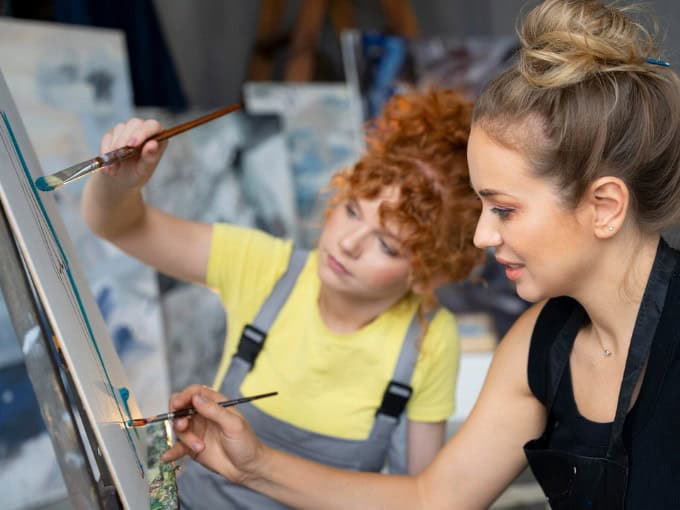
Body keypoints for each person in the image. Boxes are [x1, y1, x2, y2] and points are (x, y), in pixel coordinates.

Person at [160, 0, 680, 508]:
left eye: (503, 209)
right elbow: (435, 497)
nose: (481, 237)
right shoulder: (537, 346)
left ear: (605, 206)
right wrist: (253, 464)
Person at [82, 90, 483, 508]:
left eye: (387, 245)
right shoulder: (264, 267)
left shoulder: (428, 338)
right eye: (351, 211)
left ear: (428, 271)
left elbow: (423, 497)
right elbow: (120, 226)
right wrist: (119, 185)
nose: (348, 244)